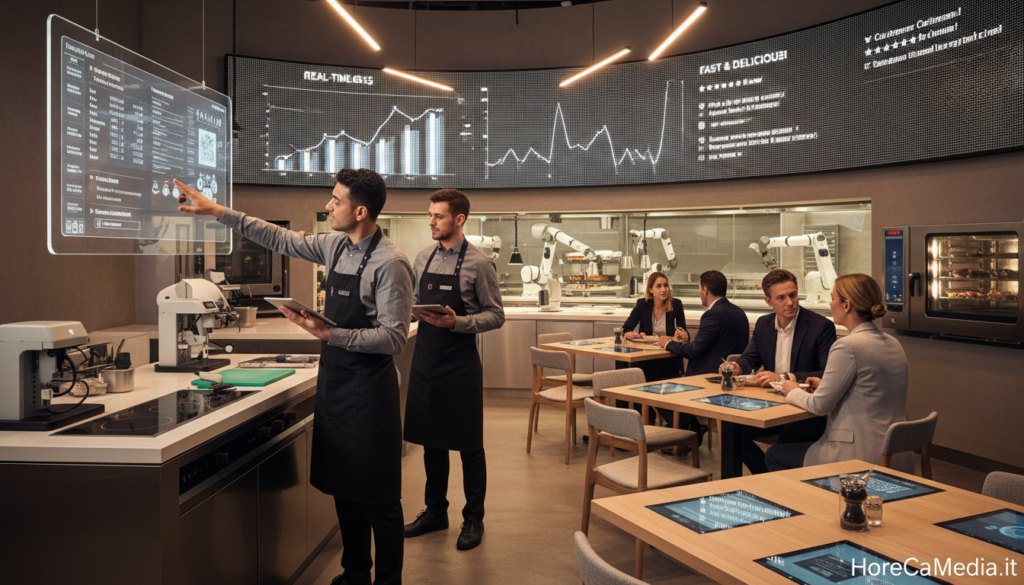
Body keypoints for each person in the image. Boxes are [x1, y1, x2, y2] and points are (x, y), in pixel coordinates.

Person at [174, 169, 413, 585]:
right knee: (345, 488)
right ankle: (356, 573)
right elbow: (281, 239)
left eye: (335, 201)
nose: (328, 206)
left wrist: (330, 333)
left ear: (360, 210)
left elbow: (393, 338)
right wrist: (218, 212)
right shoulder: (336, 246)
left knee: (379, 498)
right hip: (336, 384)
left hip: (371, 393)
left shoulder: (390, 263)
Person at [403, 189, 505, 551]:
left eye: (438, 216)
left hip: (460, 365)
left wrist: (457, 322)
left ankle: (473, 518)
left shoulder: (479, 264)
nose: (431, 221)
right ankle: (435, 511)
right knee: (432, 442)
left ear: (459, 219)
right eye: (429, 215)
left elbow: (496, 315)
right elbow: (416, 303)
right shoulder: (421, 258)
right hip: (427, 360)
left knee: (468, 445)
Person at [766, 274, 909, 472]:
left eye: (833, 298)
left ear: (847, 305)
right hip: (895, 453)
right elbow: (867, 392)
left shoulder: (847, 346)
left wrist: (792, 390)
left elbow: (819, 406)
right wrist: (825, 384)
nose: (830, 303)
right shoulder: (893, 343)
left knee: (775, 455)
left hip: (856, 455)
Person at [720, 268, 836, 475]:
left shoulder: (821, 327)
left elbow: (827, 373)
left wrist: (784, 377)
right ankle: (765, 476)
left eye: (793, 295)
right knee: (733, 431)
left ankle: (773, 481)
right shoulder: (764, 324)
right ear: (768, 301)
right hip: (771, 405)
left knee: (783, 444)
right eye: (781, 298)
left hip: (805, 412)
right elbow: (750, 358)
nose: (790, 302)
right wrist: (738, 367)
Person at [657, 270, 749, 376]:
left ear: (705, 290)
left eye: (699, 288)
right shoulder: (740, 312)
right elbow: (713, 346)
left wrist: (668, 343)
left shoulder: (712, 315)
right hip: (733, 376)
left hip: (708, 377)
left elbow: (694, 351)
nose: (700, 293)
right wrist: (684, 343)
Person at [621, 271, 689, 382]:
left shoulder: (676, 304)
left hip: (668, 357)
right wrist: (629, 334)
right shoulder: (642, 304)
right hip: (645, 357)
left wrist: (684, 335)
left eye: (666, 285)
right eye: (659, 286)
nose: (664, 289)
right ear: (650, 289)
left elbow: (684, 334)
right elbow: (626, 329)